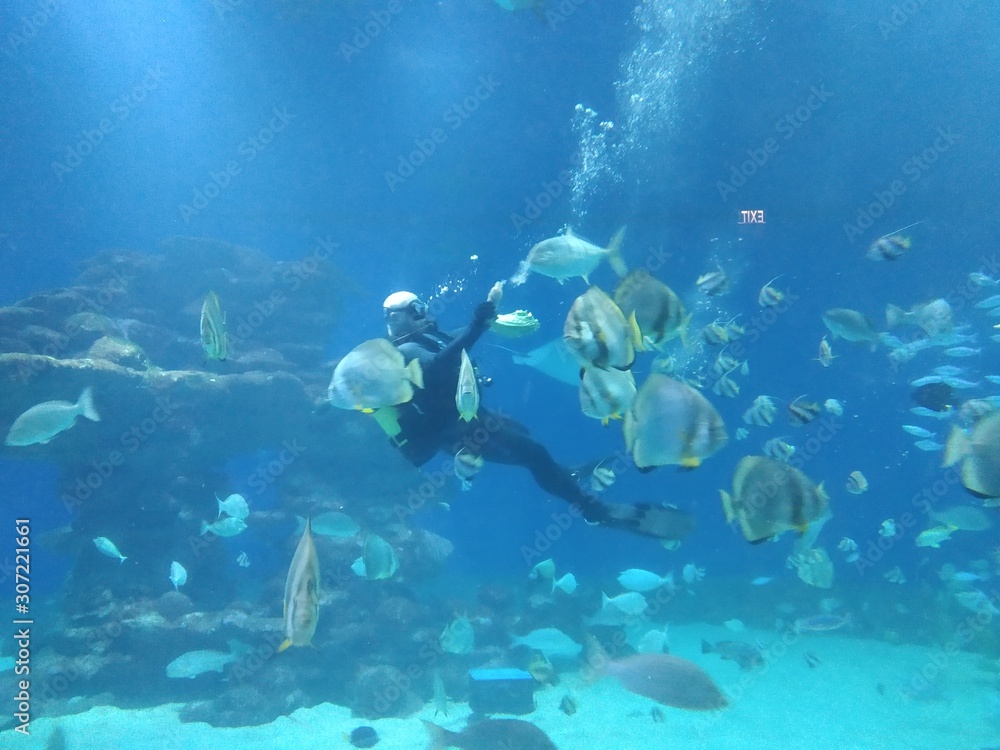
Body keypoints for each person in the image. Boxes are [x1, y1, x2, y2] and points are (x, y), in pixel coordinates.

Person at [375, 289, 695, 541]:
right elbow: (439, 364)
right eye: (415, 310)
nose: (424, 315)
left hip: (474, 419)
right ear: (397, 319)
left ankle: (561, 476)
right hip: (457, 434)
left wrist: (489, 320)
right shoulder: (404, 352)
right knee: (534, 454)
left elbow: (455, 341)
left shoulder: (425, 339)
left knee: (526, 437)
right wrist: (476, 326)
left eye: (422, 308)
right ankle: (593, 509)